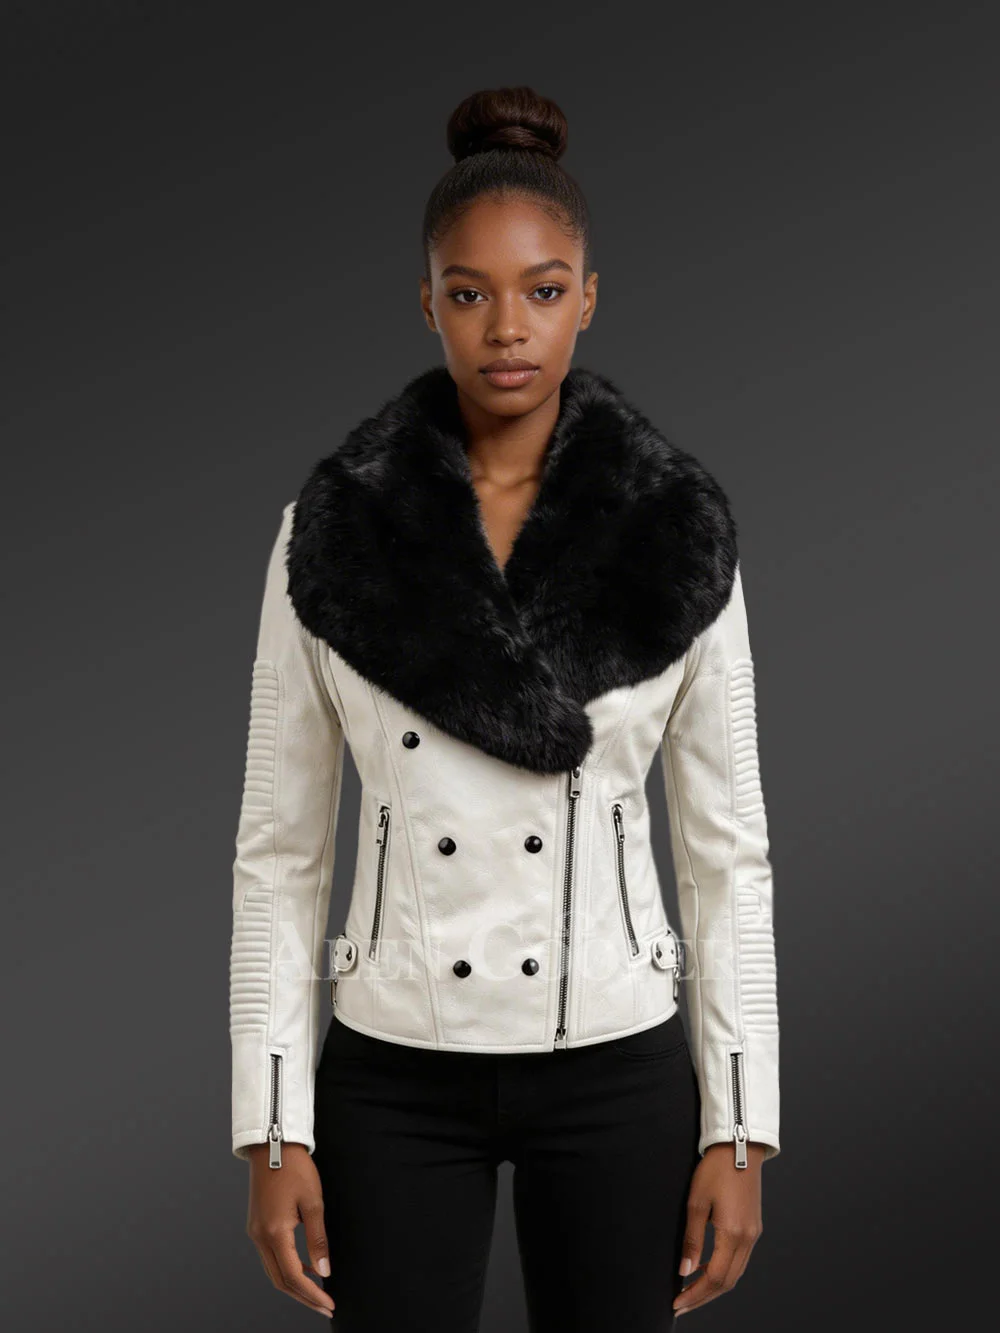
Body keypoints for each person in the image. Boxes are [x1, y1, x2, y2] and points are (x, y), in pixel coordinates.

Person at [229, 85, 780, 1331]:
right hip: (393, 1066)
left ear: (589, 297)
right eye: (469, 293)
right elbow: (278, 851)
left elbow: (725, 853)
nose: (507, 328)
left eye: (543, 288)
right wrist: (269, 1123)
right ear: (427, 302)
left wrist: (741, 1124)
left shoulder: (677, 532)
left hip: (619, 1058)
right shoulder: (331, 535)